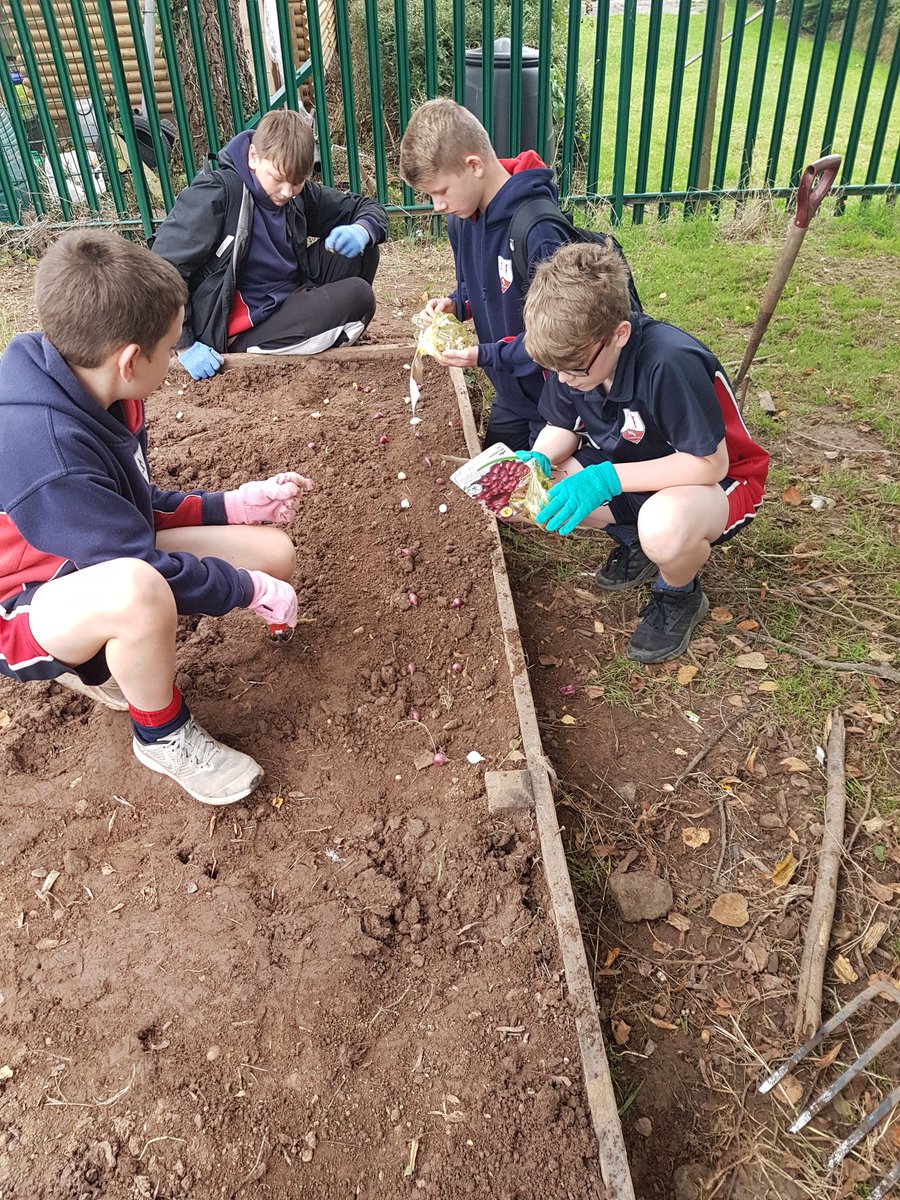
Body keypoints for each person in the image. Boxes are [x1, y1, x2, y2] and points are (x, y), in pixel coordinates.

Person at [0, 229, 311, 805]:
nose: (175, 357)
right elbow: (138, 565)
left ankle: (109, 647)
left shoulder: (105, 388)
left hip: (86, 553)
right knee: (138, 594)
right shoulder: (50, 452)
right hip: (20, 600)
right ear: (129, 359)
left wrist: (235, 504)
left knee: (274, 552)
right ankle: (162, 734)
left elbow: (130, 505)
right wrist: (243, 591)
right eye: (171, 346)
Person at [519, 241, 769, 664]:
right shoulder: (576, 359)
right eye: (555, 370)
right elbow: (560, 424)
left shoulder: (668, 363)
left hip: (720, 481)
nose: (563, 379)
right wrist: (537, 460)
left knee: (664, 526)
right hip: (637, 464)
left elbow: (710, 463)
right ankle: (634, 541)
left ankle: (679, 593)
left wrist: (606, 479)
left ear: (619, 334)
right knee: (538, 490)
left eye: (574, 369)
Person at [399, 98, 583, 452]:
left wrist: (483, 355)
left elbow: (564, 339)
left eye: (440, 192)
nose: (437, 205)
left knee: (538, 499)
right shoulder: (461, 221)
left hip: (555, 403)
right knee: (490, 487)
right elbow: (475, 286)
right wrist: (455, 303)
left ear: (474, 165)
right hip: (510, 392)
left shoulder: (539, 231)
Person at [151, 108, 388, 378]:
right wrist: (184, 344)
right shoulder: (217, 194)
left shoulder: (296, 194)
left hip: (289, 298)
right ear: (254, 157)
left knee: (364, 252)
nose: (287, 192)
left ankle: (312, 336)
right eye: (278, 179)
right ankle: (274, 346)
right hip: (245, 325)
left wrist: (362, 229)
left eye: (297, 182)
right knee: (359, 297)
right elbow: (162, 268)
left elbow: (364, 207)